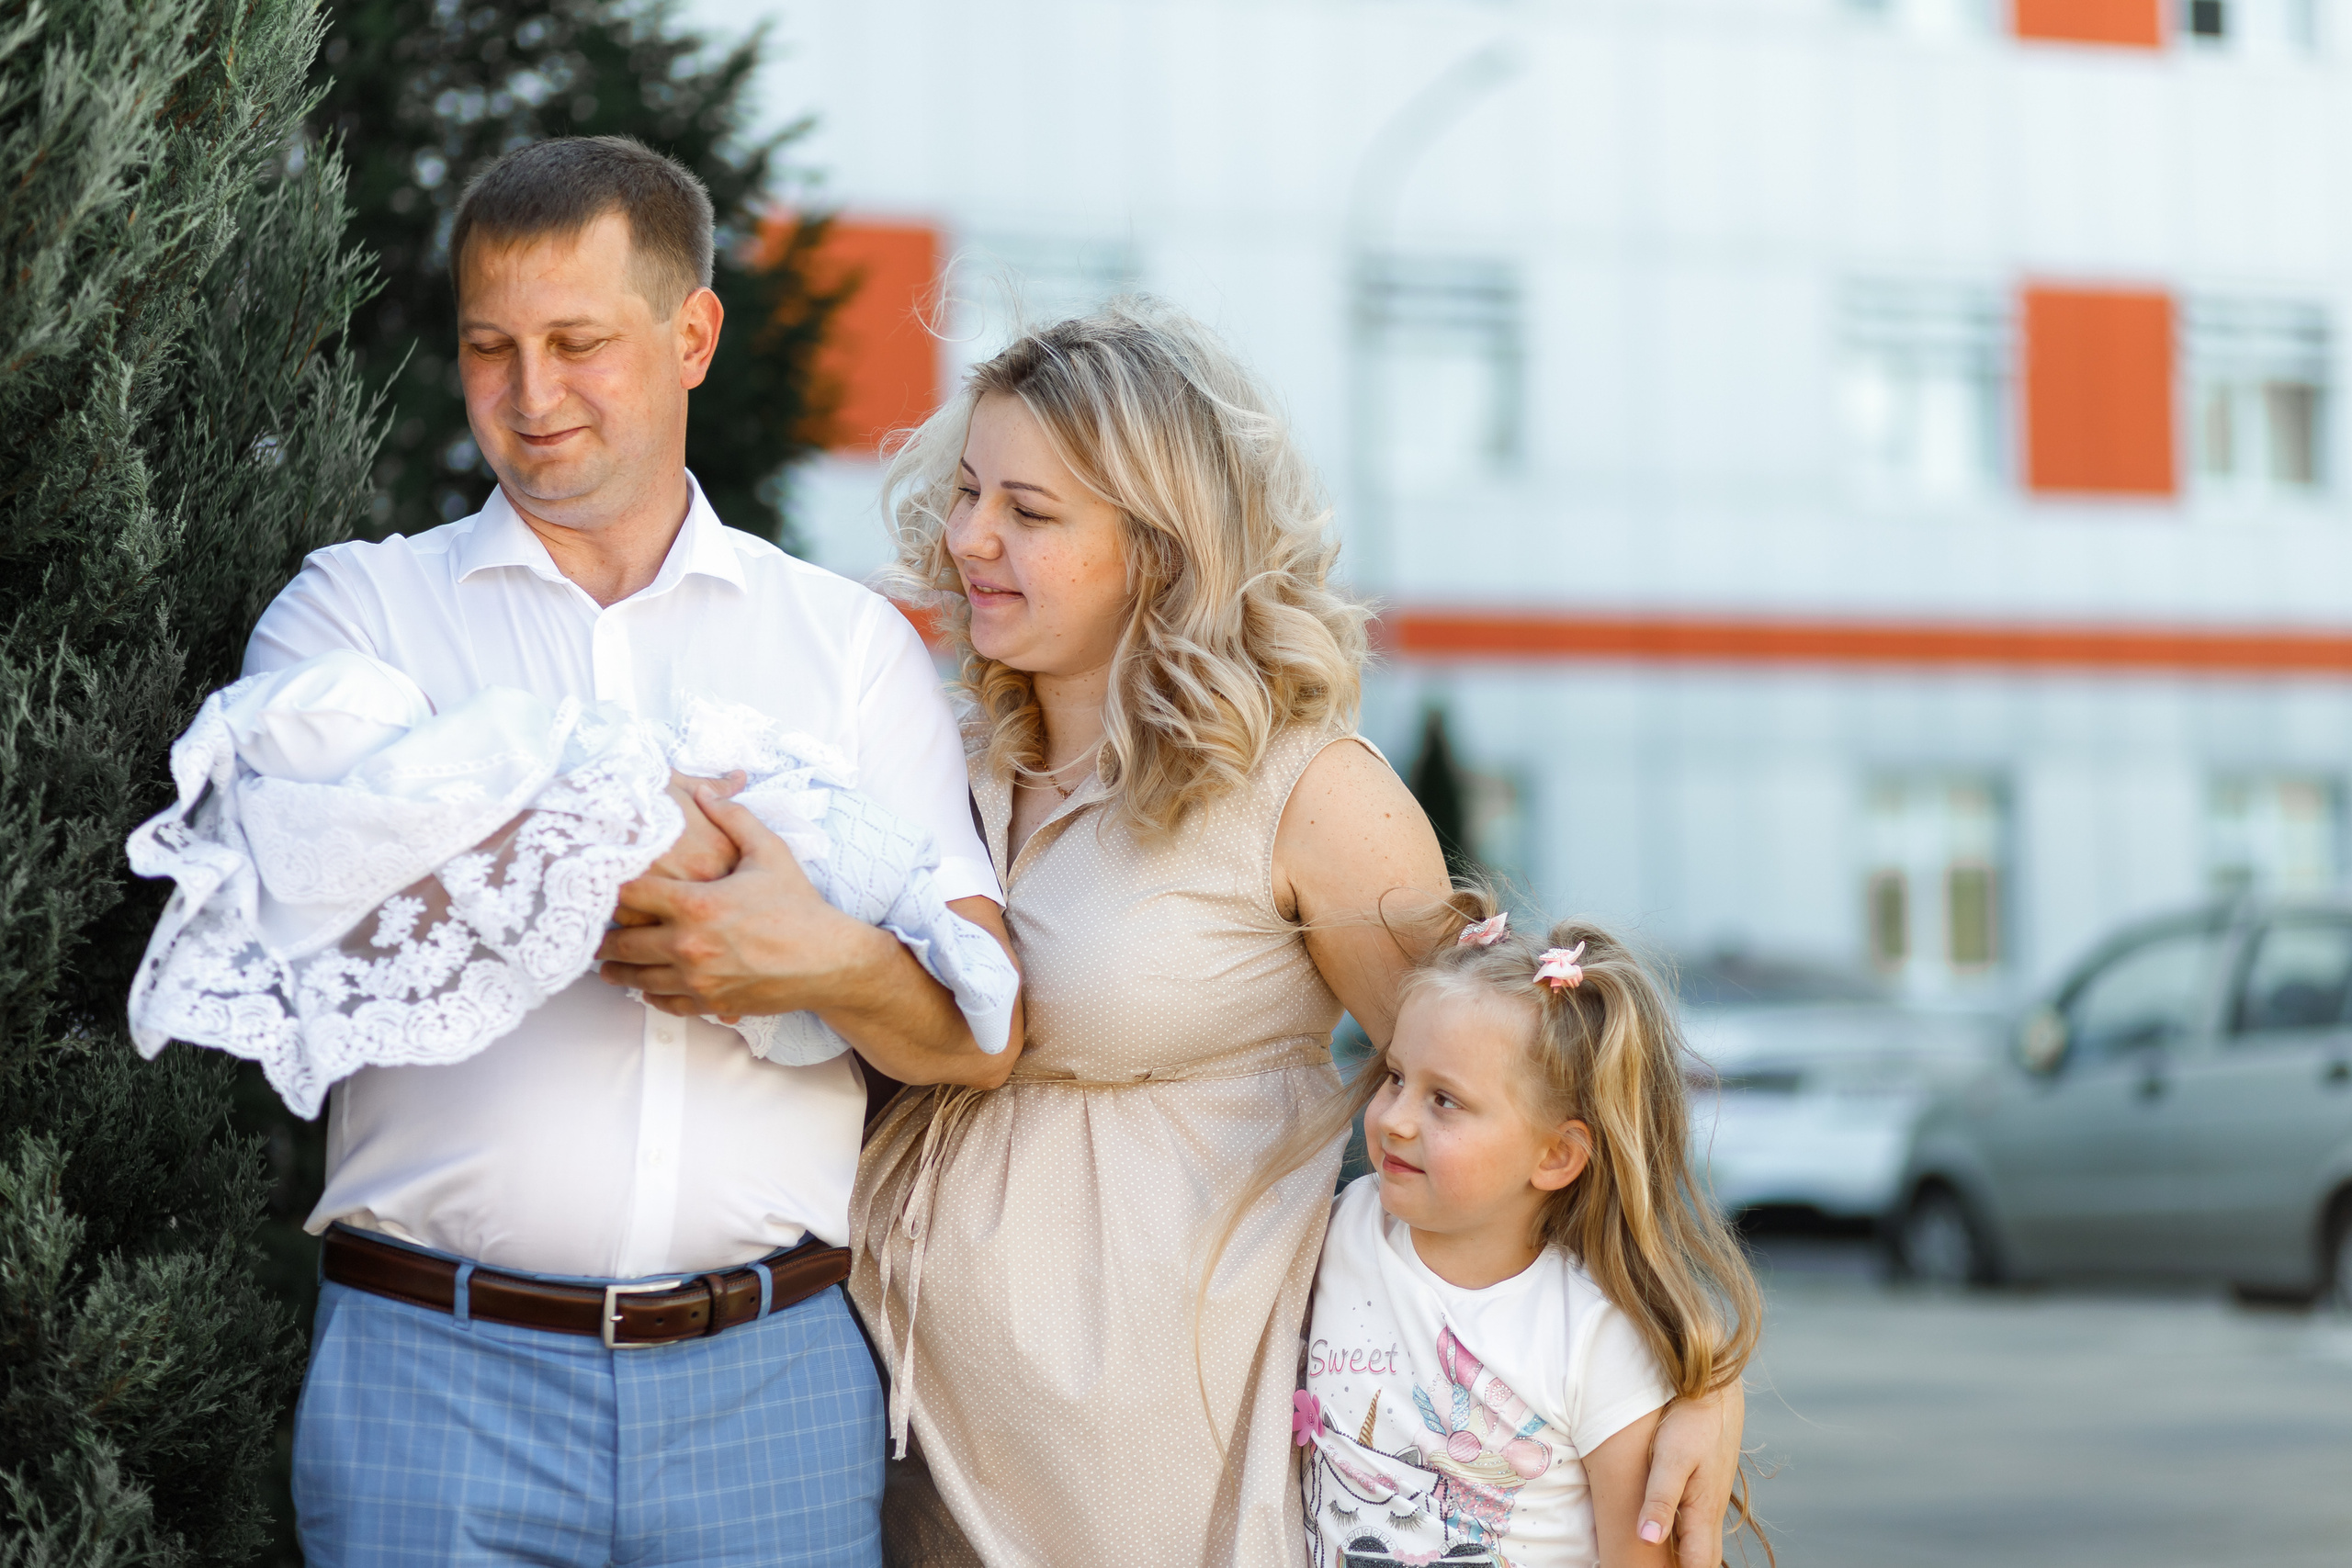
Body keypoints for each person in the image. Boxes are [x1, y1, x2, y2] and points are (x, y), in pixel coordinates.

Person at [620, 301, 1744, 1567]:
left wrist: (1684, 1360)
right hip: (896, 1433)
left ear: (1161, 550)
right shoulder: (931, 758)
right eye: (970, 491)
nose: (970, 537)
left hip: (1169, 1480)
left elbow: (1519, 1099)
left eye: (1031, 513)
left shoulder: (1310, 793)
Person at [243, 135, 1019, 1567]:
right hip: (434, 1373)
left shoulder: (843, 646)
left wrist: (821, 956)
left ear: (693, 333)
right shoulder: (354, 617)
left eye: (578, 341)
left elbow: (980, 1028)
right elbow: (302, 894)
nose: (532, 397)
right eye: (492, 346)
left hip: (769, 1381)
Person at [1255, 897, 1766, 1568]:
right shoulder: (1336, 1229)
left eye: (1445, 1100)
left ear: (1556, 1155)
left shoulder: (1595, 1334)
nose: (1396, 1119)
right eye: (1397, 1077)